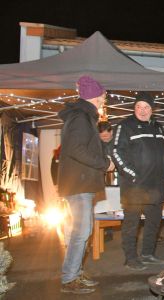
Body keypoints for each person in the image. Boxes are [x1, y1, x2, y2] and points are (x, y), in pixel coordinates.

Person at [58, 75, 114, 294]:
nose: (104, 99)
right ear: (95, 96)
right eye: (102, 95)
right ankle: (69, 278)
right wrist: (104, 164)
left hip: (80, 183)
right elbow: (76, 149)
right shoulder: (81, 118)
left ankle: (73, 272)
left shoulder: (84, 116)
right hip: (78, 184)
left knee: (80, 232)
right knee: (81, 232)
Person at [112, 92, 164, 271]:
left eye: (146, 107)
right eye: (139, 107)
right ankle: (130, 258)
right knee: (131, 224)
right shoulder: (125, 126)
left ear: (152, 109)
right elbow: (116, 152)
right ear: (134, 108)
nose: (142, 111)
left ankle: (147, 254)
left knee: (154, 222)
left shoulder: (159, 127)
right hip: (134, 186)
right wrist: (132, 174)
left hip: (157, 185)